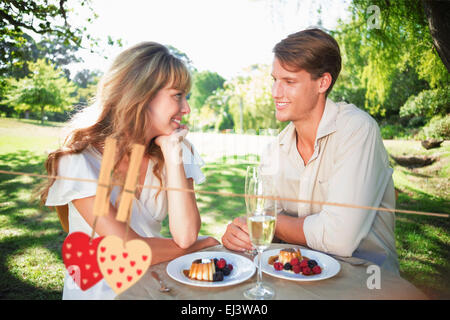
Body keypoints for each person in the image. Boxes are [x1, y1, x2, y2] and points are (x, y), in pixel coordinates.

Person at [40, 42, 219, 299]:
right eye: (177, 95)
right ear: (141, 95)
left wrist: (171, 153)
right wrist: (202, 245)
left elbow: (186, 234)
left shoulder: (178, 150)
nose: (186, 108)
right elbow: (128, 248)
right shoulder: (79, 160)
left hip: (152, 287)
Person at [222, 28, 399, 274]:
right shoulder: (274, 151)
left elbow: (339, 238)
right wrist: (241, 234)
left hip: (362, 277)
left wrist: (267, 222)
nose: (275, 92)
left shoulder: (357, 130)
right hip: (297, 273)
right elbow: (260, 226)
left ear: (322, 83)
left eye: (289, 82)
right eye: (274, 80)